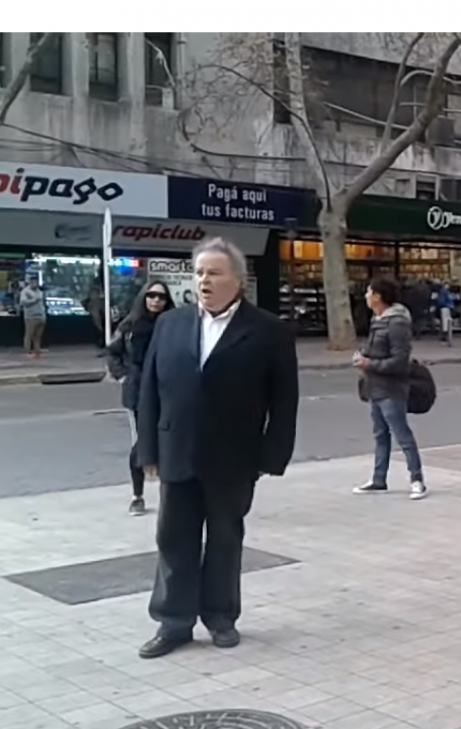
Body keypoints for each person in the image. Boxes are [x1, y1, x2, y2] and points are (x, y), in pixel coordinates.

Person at [135, 238, 299, 659]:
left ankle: (221, 617)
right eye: (200, 272)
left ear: (238, 280)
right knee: (174, 539)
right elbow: (149, 390)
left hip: (234, 457)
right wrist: (148, 448)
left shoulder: (268, 331)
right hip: (177, 451)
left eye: (214, 272)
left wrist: (271, 456)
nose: (204, 280)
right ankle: (173, 622)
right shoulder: (171, 324)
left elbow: (284, 401)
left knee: (225, 539)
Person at [352, 278, 427, 500]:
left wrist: (369, 364)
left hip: (392, 388)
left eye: (368, 292)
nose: (365, 296)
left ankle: (417, 480)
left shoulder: (397, 323)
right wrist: (362, 356)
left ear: (378, 297)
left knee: (402, 434)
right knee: (380, 435)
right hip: (375, 386)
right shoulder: (379, 319)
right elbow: (375, 348)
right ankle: (378, 479)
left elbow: (399, 360)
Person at [107, 280, 176, 516]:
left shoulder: (175, 325)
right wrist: (123, 376)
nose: (156, 300)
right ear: (143, 297)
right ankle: (137, 495)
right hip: (138, 393)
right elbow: (113, 353)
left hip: (168, 391)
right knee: (141, 443)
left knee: (170, 442)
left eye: (161, 297)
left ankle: (171, 495)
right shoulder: (130, 325)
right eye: (152, 295)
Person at [19, 278, 46, 359]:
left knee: (38, 336)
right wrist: (34, 300)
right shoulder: (25, 291)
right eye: (33, 283)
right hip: (31, 317)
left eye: (36, 283)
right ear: (30, 283)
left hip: (41, 316)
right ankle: (27, 351)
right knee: (29, 335)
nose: (35, 284)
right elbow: (22, 302)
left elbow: (42, 303)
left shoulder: (40, 292)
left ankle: (37, 351)